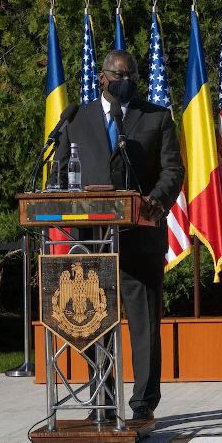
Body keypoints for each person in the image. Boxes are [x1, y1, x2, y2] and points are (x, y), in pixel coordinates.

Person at [55, 49, 184, 421]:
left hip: (140, 239)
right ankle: (104, 400)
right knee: (91, 322)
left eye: (132, 75)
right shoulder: (76, 117)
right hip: (90, 239)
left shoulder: (156, 117)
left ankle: (143, 406)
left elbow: (173, 169)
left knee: (144, 327)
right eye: (119, 74)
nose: (125, 81)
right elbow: (61, 173)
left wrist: (158, 200)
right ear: (102, 76)